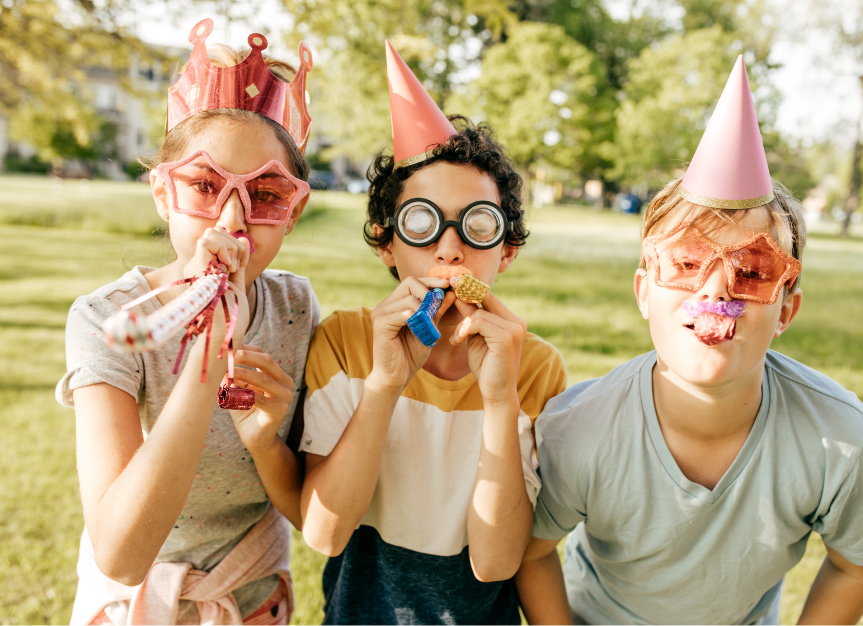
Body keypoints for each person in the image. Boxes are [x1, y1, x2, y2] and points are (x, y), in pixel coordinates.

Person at [518, 56, 863, 625]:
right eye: (687, 262)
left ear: (786, 308)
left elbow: (857, 563)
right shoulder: (580, 428)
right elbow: (534, 550)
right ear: (644, 292)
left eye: (752, 270)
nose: (716, 292)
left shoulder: (836, 436)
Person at [55, 19, 318, 625]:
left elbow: (312, 513)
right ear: (161, 193)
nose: (233, 218)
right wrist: (206, 354)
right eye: (204, 186)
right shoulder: (105, 319)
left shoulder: (295, 311)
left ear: (294, 210)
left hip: (252, 600)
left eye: (267, 194)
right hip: (135, 604)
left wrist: (265, 440)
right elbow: (120, 555)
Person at [294, 42, 567, 624]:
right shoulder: (344, 343)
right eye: (421, 223)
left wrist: (500, 398)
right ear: (387, 242)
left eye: (477, 226)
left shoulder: (537, 367)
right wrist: (383, 384)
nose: (449, 248)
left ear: (507, 251)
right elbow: (324, 532)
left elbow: (496, 564)